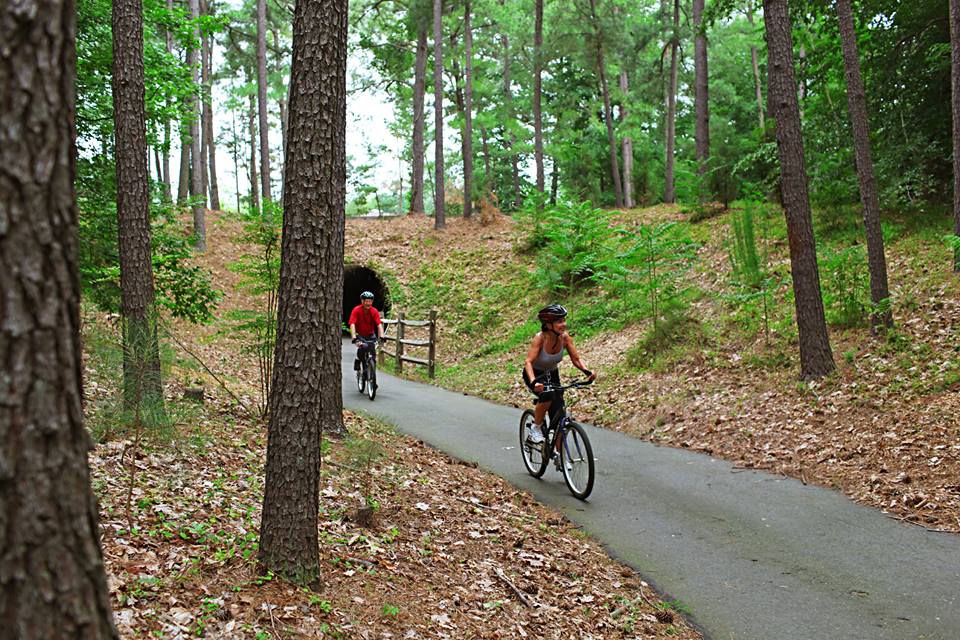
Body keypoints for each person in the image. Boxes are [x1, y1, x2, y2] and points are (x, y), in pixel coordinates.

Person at [521, 304, 596, 444]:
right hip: (535, 374)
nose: (563, 324)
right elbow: (528, 362)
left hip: (552, 374)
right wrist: (533, 382)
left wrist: (587, 371)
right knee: (547, 394)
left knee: (560, 416)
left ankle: (560, 457)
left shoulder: (565, 338)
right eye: (559, 321)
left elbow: (576, 359)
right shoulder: (540, 338)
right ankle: (535, 429)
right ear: (549, 325)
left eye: (564, 320)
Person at [349, 291, 384, 373]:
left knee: (373, 355)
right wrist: (354, 337)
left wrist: (382, 336)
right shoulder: (356, 310)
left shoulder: (374, 311)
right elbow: (352, 324)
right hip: (360, 334)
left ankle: (372, 379)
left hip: (370, 334)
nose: (369, 303)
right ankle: (358, 359)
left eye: (370, 301)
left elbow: (379, 324)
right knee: (363, 347)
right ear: (362, 301)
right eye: (367, 301)